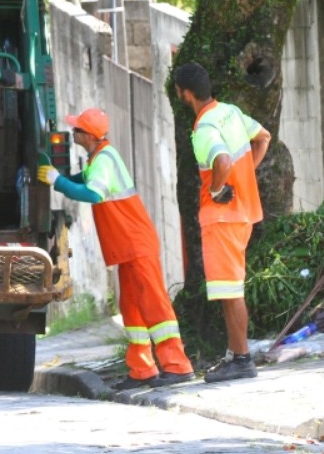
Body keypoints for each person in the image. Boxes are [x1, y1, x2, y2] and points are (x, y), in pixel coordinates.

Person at [38, 108, 195, 390]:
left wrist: (57, 181)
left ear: (89, 136)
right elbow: (83, 180)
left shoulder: (104, 161)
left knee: (154, 305)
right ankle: (142, 370)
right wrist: (60, 179)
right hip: (128, 246)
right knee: (132, 309)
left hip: (135, 244)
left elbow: (93, 193)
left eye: (77, 130)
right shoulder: (100, 157)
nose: (73, 134)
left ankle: (178, 366)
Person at [173, 62, 271, 383]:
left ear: (185, 94)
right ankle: (235, 355)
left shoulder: (203, 129)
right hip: (242, 213)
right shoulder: (230, 112)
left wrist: (217, 188)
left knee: (231, 291)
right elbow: (263, 138)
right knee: (230, 290)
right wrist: (245, 179)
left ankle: (242, 358)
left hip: (222, 218)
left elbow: (223, 161)